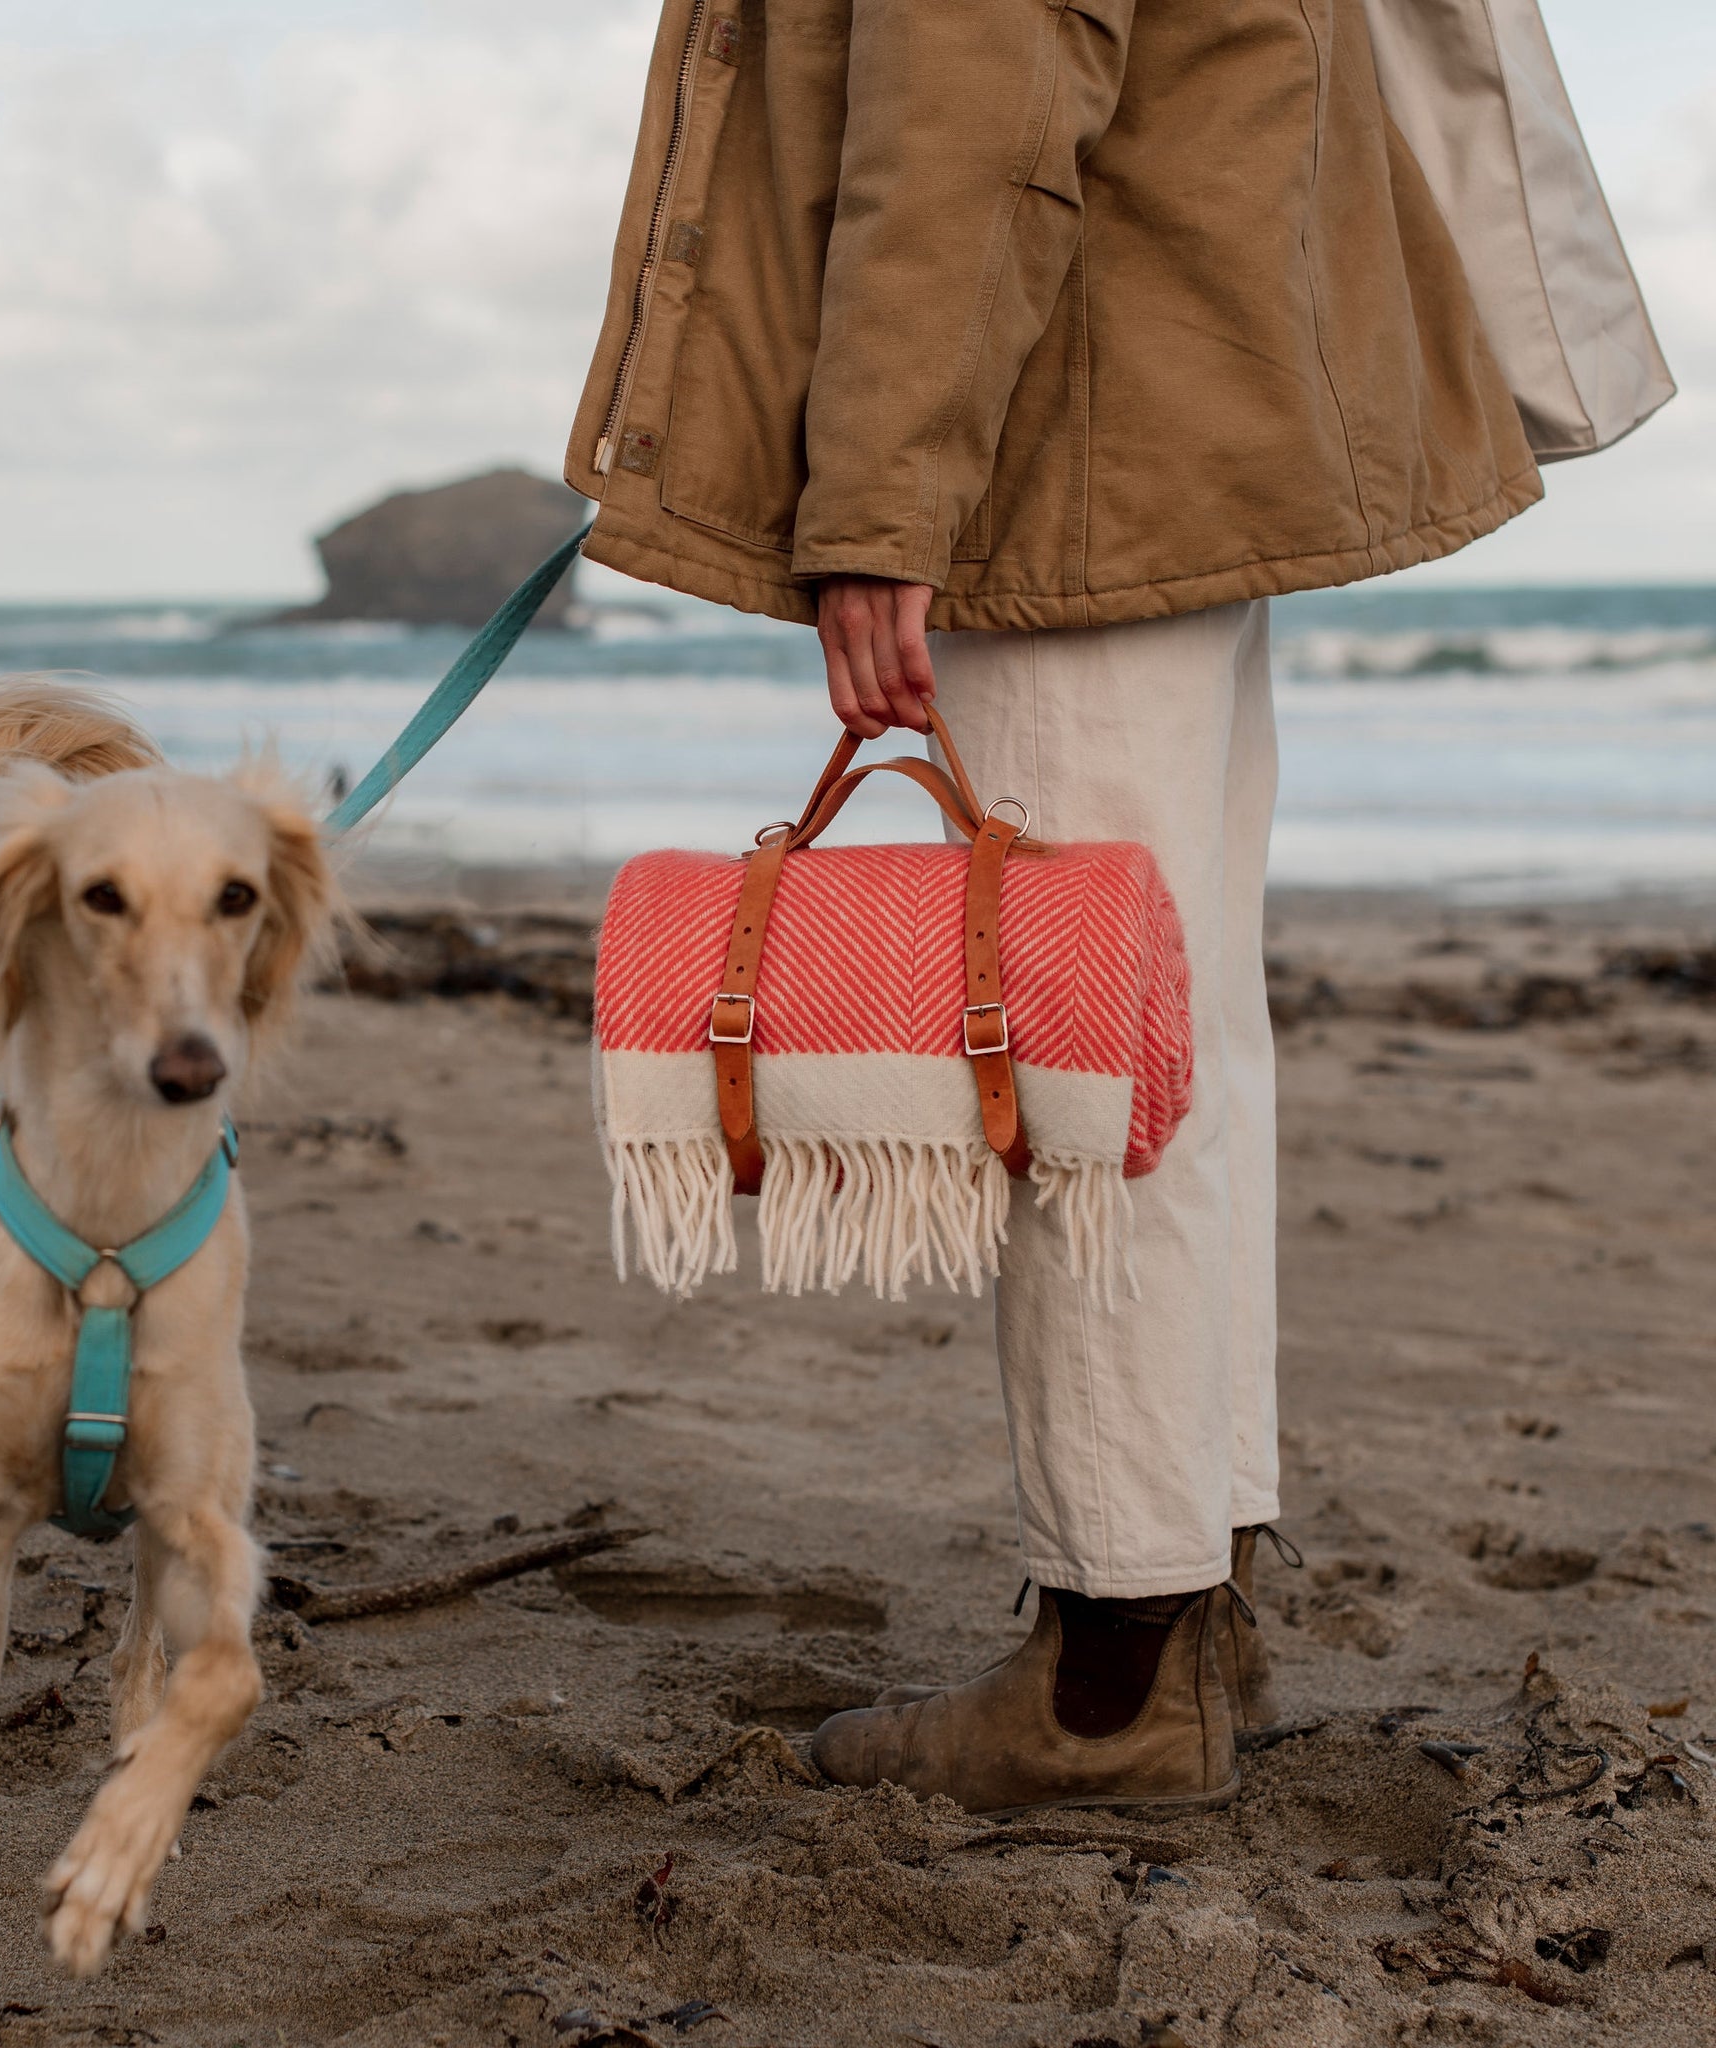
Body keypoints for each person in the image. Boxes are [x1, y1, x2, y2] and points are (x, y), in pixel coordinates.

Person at [564, 0, 1667, 1811]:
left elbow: (977, 95)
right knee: (1169, 1046)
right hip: (1181, 387)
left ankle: (1109, 1678)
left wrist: (883, 499)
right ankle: (1182, 1597)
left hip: (1070, 427)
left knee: (1084, 1078)